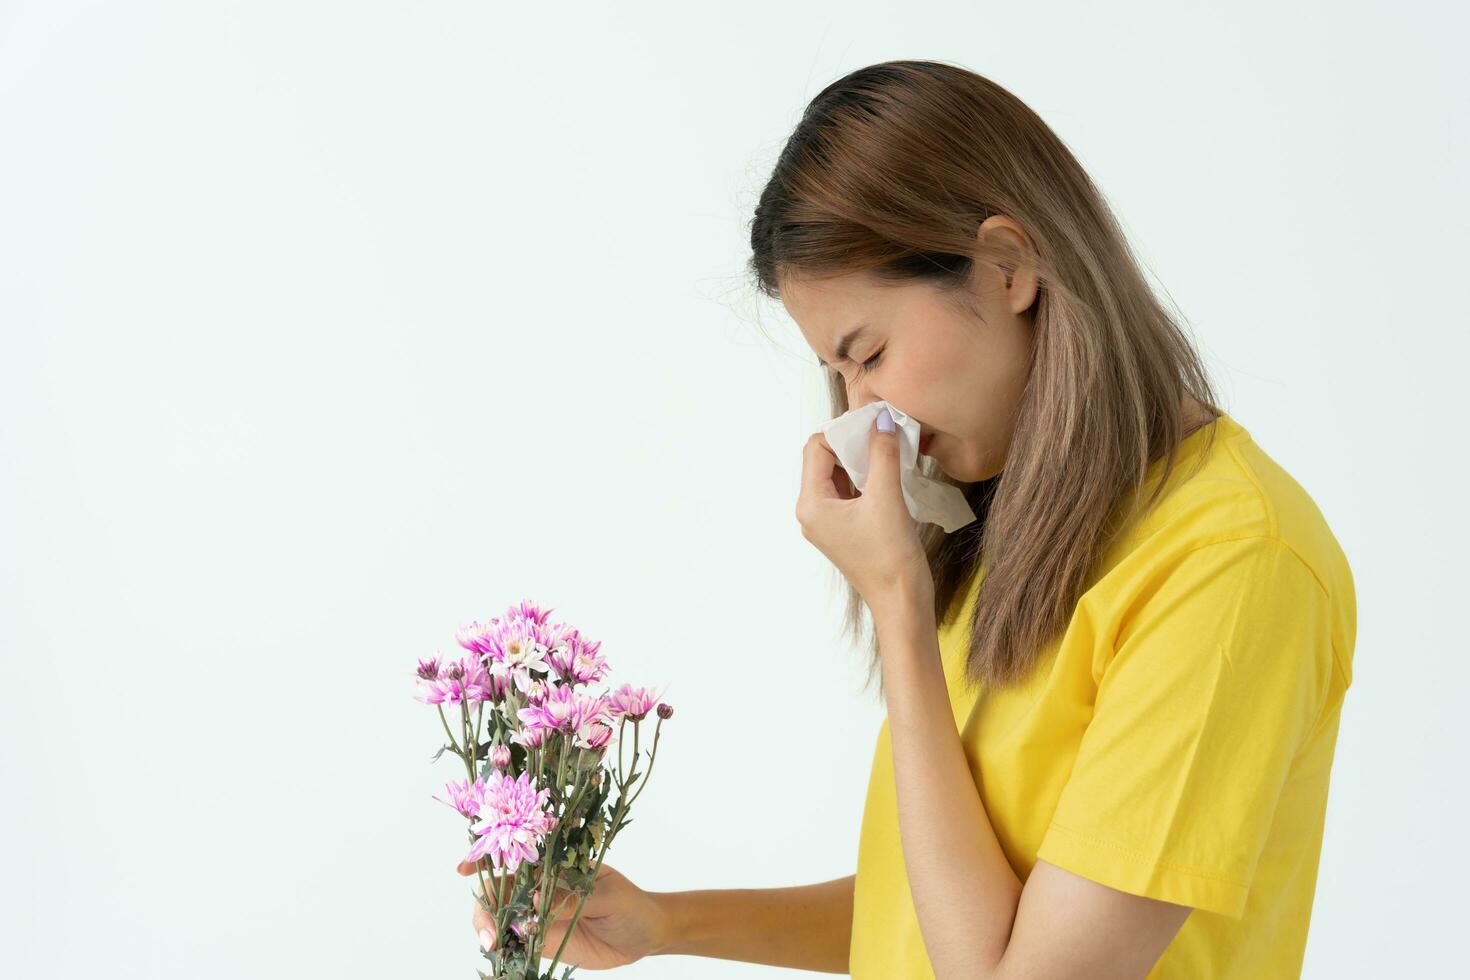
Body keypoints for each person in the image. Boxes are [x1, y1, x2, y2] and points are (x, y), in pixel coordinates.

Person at [459, 59, 1356, 978]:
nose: (860, 413)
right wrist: (663, 922)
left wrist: (898, 604)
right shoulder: (1026, 524)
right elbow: (940, 908)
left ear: (1008, 267)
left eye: (870, 354)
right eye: (840, 375)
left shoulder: (1231, 566)